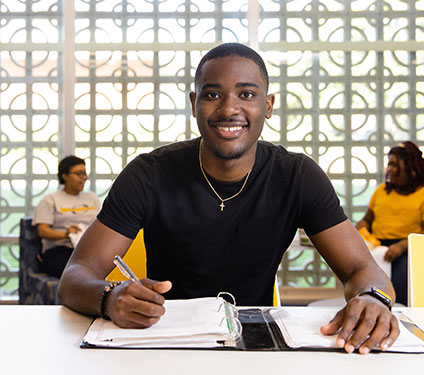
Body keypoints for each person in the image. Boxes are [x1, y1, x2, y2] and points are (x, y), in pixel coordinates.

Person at [58, 43, 400, 354]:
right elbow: (75, 275)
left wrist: (372, 298)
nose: (229, 109)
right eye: (212, 95)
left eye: (247, 94)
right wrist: (110, 297)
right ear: (194, 104)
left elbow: (362, 269)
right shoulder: (149, 174)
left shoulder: (297, 176)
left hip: (256, 348)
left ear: (267, 106)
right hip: (164, 343)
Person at [355, 141, 424, 305]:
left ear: (412, 167)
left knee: (400, 282)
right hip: (378, 247)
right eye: (389, 164)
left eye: (394, 164)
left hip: (409, 250)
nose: (389, 169)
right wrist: (362, 230)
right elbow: (366, 220)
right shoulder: (382, 191)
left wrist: (401, 247)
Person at [32, 155, 101, 278]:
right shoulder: (50, 200)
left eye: (85, 174)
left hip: (88, 249)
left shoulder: (92, 198)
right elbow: (42, 231)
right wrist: (66, 233)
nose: (84, 178)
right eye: (79, 174)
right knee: (78, 271)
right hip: (60, 249)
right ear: (65, 176)